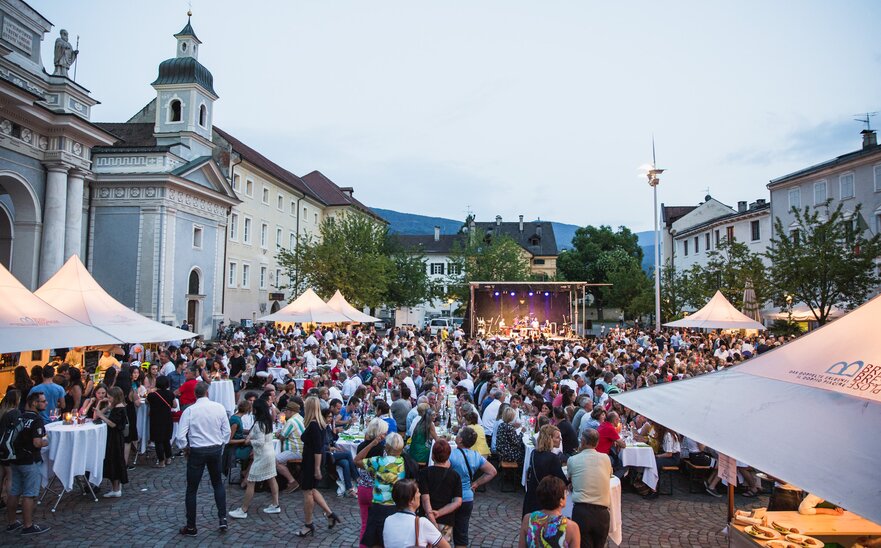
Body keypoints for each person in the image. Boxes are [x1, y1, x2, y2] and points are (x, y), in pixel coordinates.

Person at [176, 382, 230, 537]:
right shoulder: (219, 408)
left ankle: (191, 526)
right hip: (214, 449)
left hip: (197, 451)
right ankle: (222, 518)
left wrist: (185, 447)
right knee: (217, 484)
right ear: (207, 392)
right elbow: (226, 432)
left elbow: (180, 436)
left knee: (192, 489)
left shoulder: (190, 410)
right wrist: (221, 445)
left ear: (195, 394)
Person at [4, 391, 49, 535]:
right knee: (29, 494)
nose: (46, 403)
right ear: (35, 403)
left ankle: (12, 523)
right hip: (29, 461)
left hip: (15, 459)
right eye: (43, 401)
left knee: (14, 491)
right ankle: (28, 526)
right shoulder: (36, 420)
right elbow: (36, 443)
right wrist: (46, 442)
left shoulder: (19, 416)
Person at [295, 396, 340, 538]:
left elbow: (317, 449)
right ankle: (330, 514)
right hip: (311, 461)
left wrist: (316, 469)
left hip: (311, 462)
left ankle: (308, 524)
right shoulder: (319, 424)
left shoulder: (314, 425)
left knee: (307, 492)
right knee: (312, 490)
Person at [229, 399, 280, 518]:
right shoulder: (266, 422)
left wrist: (249, 441)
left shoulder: (259, 423)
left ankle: (243, 509)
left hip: (262, 455)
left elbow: (260, 442)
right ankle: (276, 504)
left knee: (251, 481)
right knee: (271, 478)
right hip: (269, 453)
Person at [448, 426, 497, 548]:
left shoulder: (451, 455)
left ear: (460, 440)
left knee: (445, 532)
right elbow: (492, 471)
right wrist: (476, 483)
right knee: (462, 533)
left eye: (458, 434)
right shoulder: (476, 456)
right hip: (467, 497)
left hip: (451, 498)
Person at [356, 431, 407, 547]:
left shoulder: (378, 462)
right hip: (396, 507)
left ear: (387, 447)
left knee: (376, 542)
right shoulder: (404, 462)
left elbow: (357, 460)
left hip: (379, 506)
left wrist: (371, 444)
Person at [568, 428, 613, 548]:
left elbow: (570, 478)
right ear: (597, 443)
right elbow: (609, 475)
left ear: (582, 442)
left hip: (582, 511)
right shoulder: (606, 459)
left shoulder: (573, 460)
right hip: (602, 512)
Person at [383, 479, 450, 548]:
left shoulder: (388, 520)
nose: (420, 494)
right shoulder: (422, 522)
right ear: (411, 501)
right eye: (417, 492)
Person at [418, 439, 462, 543]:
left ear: (432, 456)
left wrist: (431, 516)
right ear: (448, 456)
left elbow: (425, 499)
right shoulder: (455, 476)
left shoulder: (424, 473)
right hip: (446, 519)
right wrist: (439, 513)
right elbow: (458, 502)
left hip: (426, 518)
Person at [518, 476, 580, 548]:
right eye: (565, 493)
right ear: (561, 501)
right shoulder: (571, 527)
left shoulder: (528, 519)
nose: (567, 495)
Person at [356, 418, 389, 547]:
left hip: (363, 488)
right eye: (385, 432)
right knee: (380, 524)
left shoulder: (361, 446)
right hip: (376, 490)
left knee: (365, 523)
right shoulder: (382, 450)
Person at [522, 425, 567, 516]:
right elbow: (562, 480)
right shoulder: (552, 458)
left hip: (531, 496)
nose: (560, 440)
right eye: (557, 437)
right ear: (549, 438)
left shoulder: (534, 453)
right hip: (543, 501)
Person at [94, 386, 128, 498]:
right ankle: (116, 487)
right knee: (114, 460)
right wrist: (101, 405)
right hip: (115, 437)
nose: (108, 399)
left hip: (115, 438)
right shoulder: (116, 406)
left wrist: (102, 416)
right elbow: (99, 413)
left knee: (114, 460)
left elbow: (113, 424)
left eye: (109, 397)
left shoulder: (119, 408)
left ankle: (116, 488)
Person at [147, 376, 176, 467]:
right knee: (166, 439)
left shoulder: (152, 395)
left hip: (156, 419)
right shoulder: (170, 394)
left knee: (158, 441)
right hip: (167, 418)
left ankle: (161, 461)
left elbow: (148, 402)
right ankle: (168, 458)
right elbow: (174, 405)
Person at [275, 401, 304, 493]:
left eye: (286, 411)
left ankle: (292, 481)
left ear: (290, 411)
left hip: (295, 450)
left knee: (274, 461)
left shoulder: (291, 421)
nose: (285, 413)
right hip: (301, 449)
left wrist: (277, 434)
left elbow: (282, 437)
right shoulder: (300, 417)